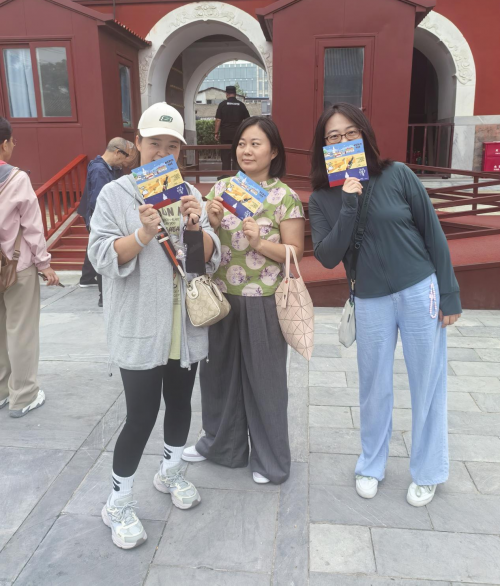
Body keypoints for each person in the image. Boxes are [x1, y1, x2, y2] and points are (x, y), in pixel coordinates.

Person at [307, 102, 461, 507]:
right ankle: (371, 464)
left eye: (350, 133)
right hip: (370, 298)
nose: (342, 141)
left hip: (419, 289)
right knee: (374, 386)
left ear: (364, 136)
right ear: (324, 147)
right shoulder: (321, 198)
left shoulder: (397, 175)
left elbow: (432, 232)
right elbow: (327, 256)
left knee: (428, 383)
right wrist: (348, 203)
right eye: (333, 137)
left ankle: (428, 471)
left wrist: (449, 294)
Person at [88, 102, 221, 550]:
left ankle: (171, 472)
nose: (162, 153)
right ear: (137, 144)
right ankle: (118, 501)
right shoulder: (116, 194)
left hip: (185, 325)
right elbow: (100, 255)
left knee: (181, 404)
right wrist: (142, 235)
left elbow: (204, 260)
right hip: (140, 324)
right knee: (141, 414)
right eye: (154, 143)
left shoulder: (188, 193)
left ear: (180, 151)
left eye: (172, 146)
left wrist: (196, 227)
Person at [182, 116, 305, 485]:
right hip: (220, 300)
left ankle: (270, 460)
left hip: (263, 301)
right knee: (217, 377)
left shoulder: (285, 196)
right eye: (241, 143)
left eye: (255, 143)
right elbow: (203, 247)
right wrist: (210, 222)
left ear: (274, 152)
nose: (246, 150)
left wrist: (259, 243)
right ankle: (222, 447)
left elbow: (295, 253)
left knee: (266, 382)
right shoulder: (222, 189)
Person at [0, 117, 60, 418]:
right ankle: (23, 395)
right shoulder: (16, 178)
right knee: (20, 331)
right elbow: (32, 227)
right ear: (4, 144)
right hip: (15, 266)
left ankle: (2, 390)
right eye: (12, 141)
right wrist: (44, 265)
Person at [78, 137, 136, 307]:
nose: (127, 163)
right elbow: (99, 201)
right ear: (118, 152)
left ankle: (87, 278)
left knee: (95, 246)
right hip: (99, 216)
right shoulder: (100, 170)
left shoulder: (108, 168)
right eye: (127, 157)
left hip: (95, 215)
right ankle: (104, 296)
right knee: (104, 250)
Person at [214, 86, 250, 172]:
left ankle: (225, 174)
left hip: (225, 134)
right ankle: (236, 175)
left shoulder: (222, 105)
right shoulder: (241, 105)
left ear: (226, 94)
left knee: (225, 155)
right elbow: (248, 120)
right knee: (237, 154)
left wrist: (216, 132)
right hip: (238, 135)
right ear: (235, 94)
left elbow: (218, 120)